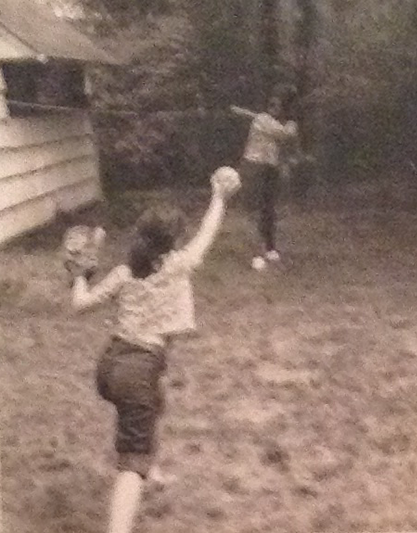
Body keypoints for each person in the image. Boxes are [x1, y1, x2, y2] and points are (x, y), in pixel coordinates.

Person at [65, 167, 240, 533]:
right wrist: (218, 197)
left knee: (154, 404)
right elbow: (209, 231)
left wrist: (80, 273)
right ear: (172, 243)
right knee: (132, 461)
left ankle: (153, 470)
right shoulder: (180, 266)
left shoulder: (124, 273)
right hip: (138, 370)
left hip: (110, 365)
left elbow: (80, 305)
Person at [230, 90, 299, 270]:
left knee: (269, 208)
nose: (274, 108)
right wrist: (293, 123)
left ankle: (269, 248)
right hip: (254, 167)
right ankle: (256, 252)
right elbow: (285, 134)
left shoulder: (268, 120)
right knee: (255, 209)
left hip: (269, 167)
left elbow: (284, 142)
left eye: (278, 106)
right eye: (271, 105)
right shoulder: (263, 121)